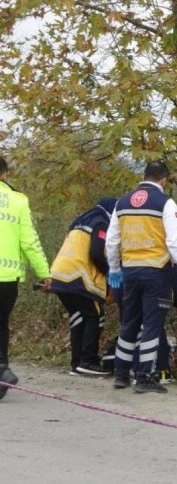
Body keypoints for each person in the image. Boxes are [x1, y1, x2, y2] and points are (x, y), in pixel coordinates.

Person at [106, 160, 177, 394]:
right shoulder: (165, 202)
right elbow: (174, 241)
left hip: (130, 271)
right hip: (156, 271)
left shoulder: (122, 202)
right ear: (163, 180)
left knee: (129, 323)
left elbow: (112, 239)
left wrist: (114, 267)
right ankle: (144, 376)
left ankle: (121, 374)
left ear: (143, 176)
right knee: (153, 324)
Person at [0, 156, 51, 400]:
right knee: (1, 324)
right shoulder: (18, 200)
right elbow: (30, 242)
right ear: (5, 174)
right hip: (7, 279)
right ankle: (1, 374)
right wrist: (44, 273)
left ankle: (1, 371)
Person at [49, 197, 117, 376]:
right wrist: (109, 271)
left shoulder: (83, 221)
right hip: (79, 277)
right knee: (95, 315)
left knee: (79, 316)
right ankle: (88, 361)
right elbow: (96, 252)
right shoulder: (101, 223)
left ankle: (77, 363)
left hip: (60, 275)